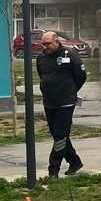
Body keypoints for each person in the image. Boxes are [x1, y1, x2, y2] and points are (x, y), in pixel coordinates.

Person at [37, 31, 86, 178]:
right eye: (43, 44)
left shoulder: (69, 55)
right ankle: (75, 161)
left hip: (65, 101)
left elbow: (81, 76)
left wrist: (70, 90)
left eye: (48, 44)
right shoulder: (41, 58)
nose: (45, 47)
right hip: (49, 101)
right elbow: (42, 75)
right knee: (58, 135)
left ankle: (53, 169)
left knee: (60, 135)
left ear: (56, 41)